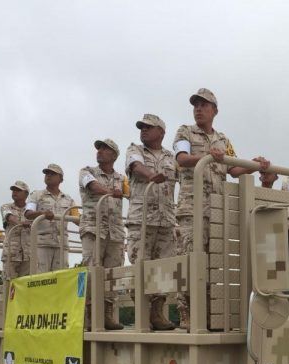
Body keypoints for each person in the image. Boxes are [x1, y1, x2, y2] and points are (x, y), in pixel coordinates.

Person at [173, 88, 270, 329]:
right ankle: (187, 313)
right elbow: (182, 159)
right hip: (191, 209)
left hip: (216, 211)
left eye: (204, 105)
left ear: (215, 111)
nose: (198, 109)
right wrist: (206, 155)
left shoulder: (223, 140)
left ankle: (208, 314)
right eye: (195, 105)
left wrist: (254, 166)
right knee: (189, 260)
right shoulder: (185, 131)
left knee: (213, 262)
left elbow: (233, 169)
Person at [125, 114, 177, 330]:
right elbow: (136, 167)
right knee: (140, 265)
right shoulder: (135, 149)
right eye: (142, 127)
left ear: (161, 132)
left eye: (149, 127)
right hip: (141, 219)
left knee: (164, 269)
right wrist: (151, 174)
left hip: (165, 220)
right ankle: (143, 314)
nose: (143, 130)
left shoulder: (171, 157)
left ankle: (157, 313)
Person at [79, 138, 127, 330]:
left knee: (112, 274)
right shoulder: (87, 171)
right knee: (91, 270)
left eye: (105, 149)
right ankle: (89, 316)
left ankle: (106, 314)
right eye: (99, 149)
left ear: (114, 155)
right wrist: (110, 191)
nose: (100, 151)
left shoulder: (122, 178)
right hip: (93, 228)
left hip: (114, 231)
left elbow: (132, 192)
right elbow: (92, 186)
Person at [25, 163, 76, 273]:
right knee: (40, 278)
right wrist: (42, 213)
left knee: (61, 278)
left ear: (61, 179)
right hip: (42, 244)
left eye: (53, 173)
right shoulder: (36, 195)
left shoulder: (68, 199)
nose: (48, 175)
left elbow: (77, 218)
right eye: (47, 173)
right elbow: (28, 213)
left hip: (61, 245)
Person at [0, 181, 31, 280]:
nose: (14, 192)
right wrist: (21, 223)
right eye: (13, 190)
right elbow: (9, 217)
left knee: (27, 285)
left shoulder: (31, 209)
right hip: (11, 254)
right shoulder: (6, 207)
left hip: (28, 254)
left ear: (26, 193)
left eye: (18, 190)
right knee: (9, 286)